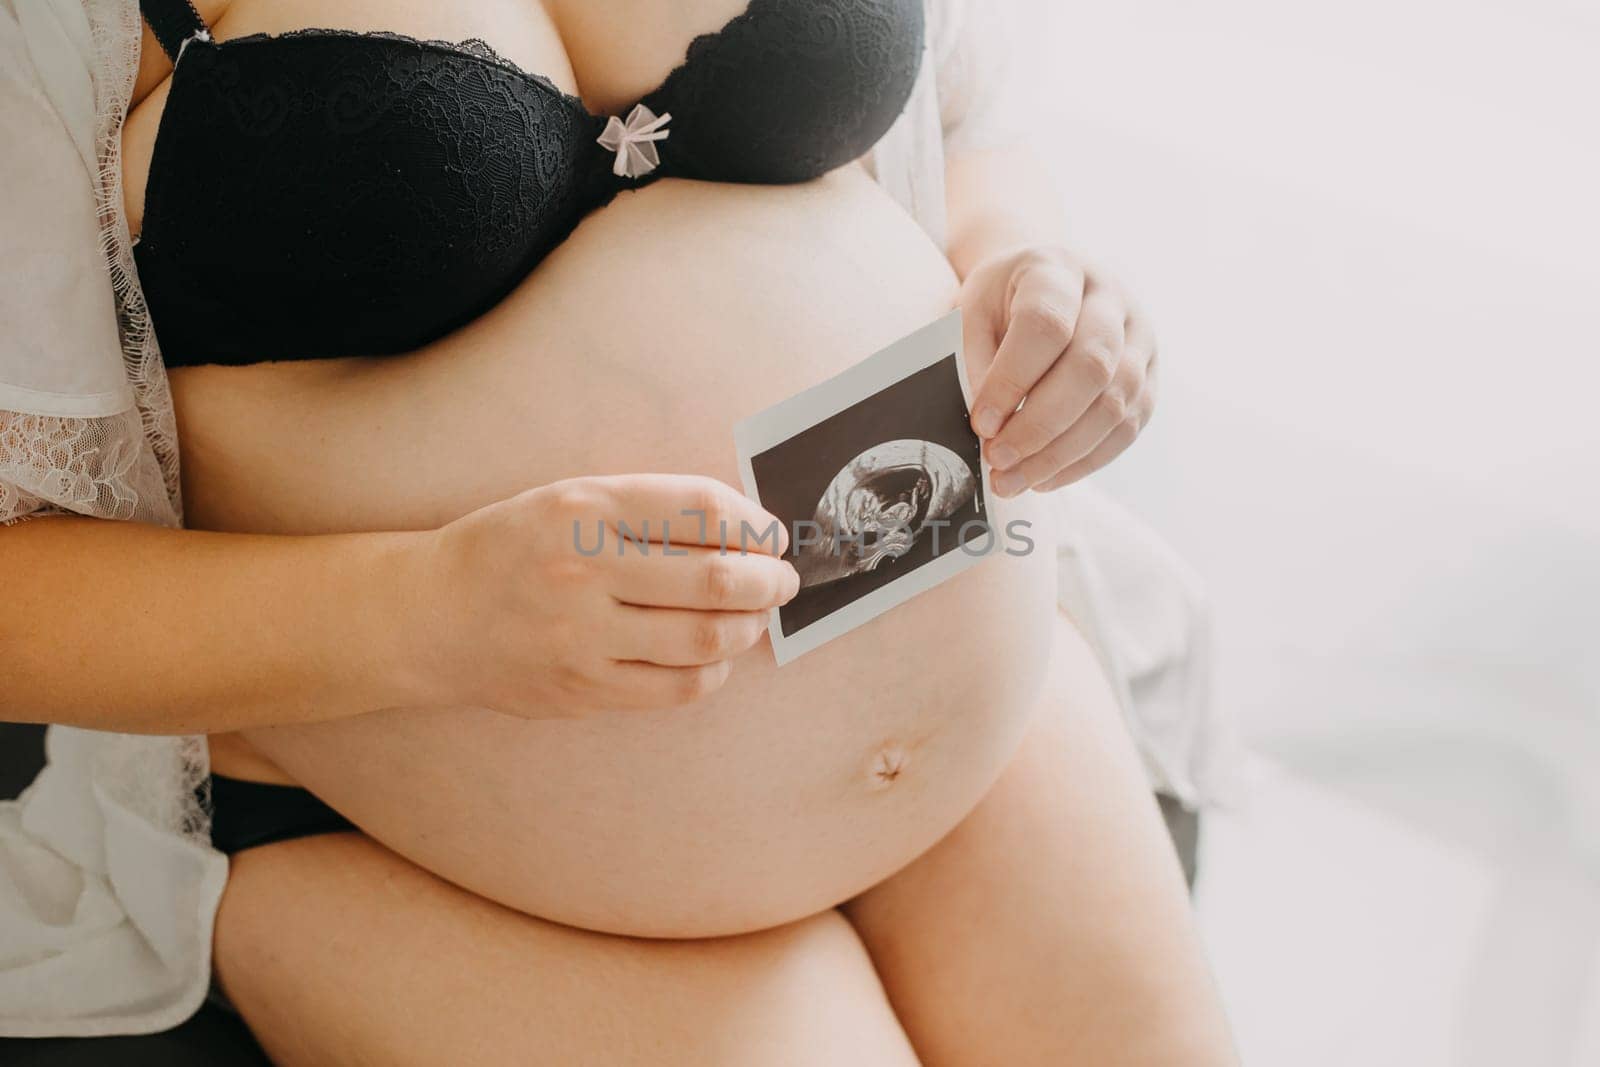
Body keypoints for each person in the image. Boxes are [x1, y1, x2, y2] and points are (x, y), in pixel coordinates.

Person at [1, 0, 1236, 1060]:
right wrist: (431, 611)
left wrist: (1033, 280)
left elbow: (965, 131)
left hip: (978, 698)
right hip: (417, 841)